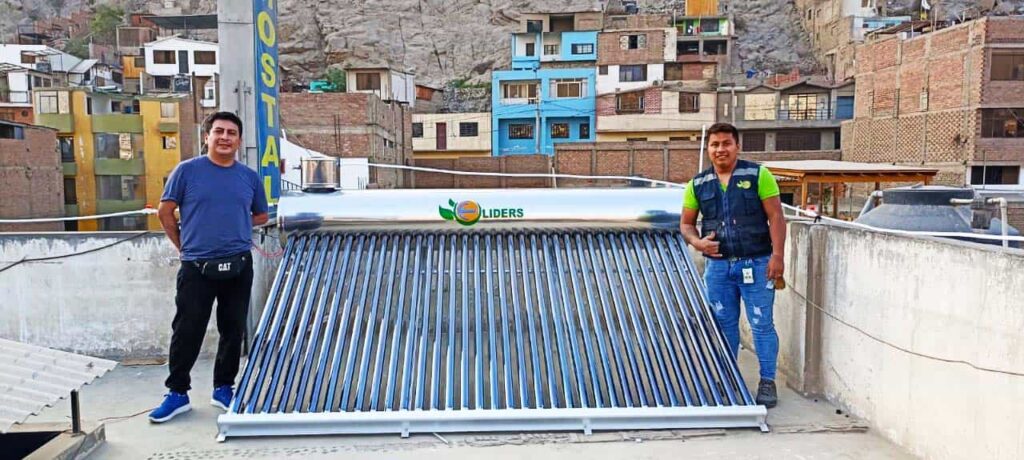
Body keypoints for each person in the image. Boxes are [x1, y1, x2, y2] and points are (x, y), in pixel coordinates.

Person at [149, 112, 270, 423]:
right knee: (187, 330)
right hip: (196, 267)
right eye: (219, 131)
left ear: (239, 141)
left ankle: (223, 388)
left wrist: (235, 225)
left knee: (233, 329)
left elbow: (261, 215)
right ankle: (177, 393)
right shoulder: (187, 171)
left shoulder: (249, 177)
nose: (225, 137)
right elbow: (165, 211)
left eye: (231, 133)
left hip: (239, 265)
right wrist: (183, 247)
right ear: (207, 137)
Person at [680, 122, 786, 408]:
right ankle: (728, 378)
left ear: (737, 146)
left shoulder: (758, 175)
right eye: (714, 144)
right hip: (718, 269)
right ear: (708, 149)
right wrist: (697, 243)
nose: (720, 149)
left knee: (761, 323)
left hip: (758, 263)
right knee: (723, 324)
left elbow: (776, 217)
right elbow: (686, 224)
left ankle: (767, 381)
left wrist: (777, 256)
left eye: (726, 143)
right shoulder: (697, 184)